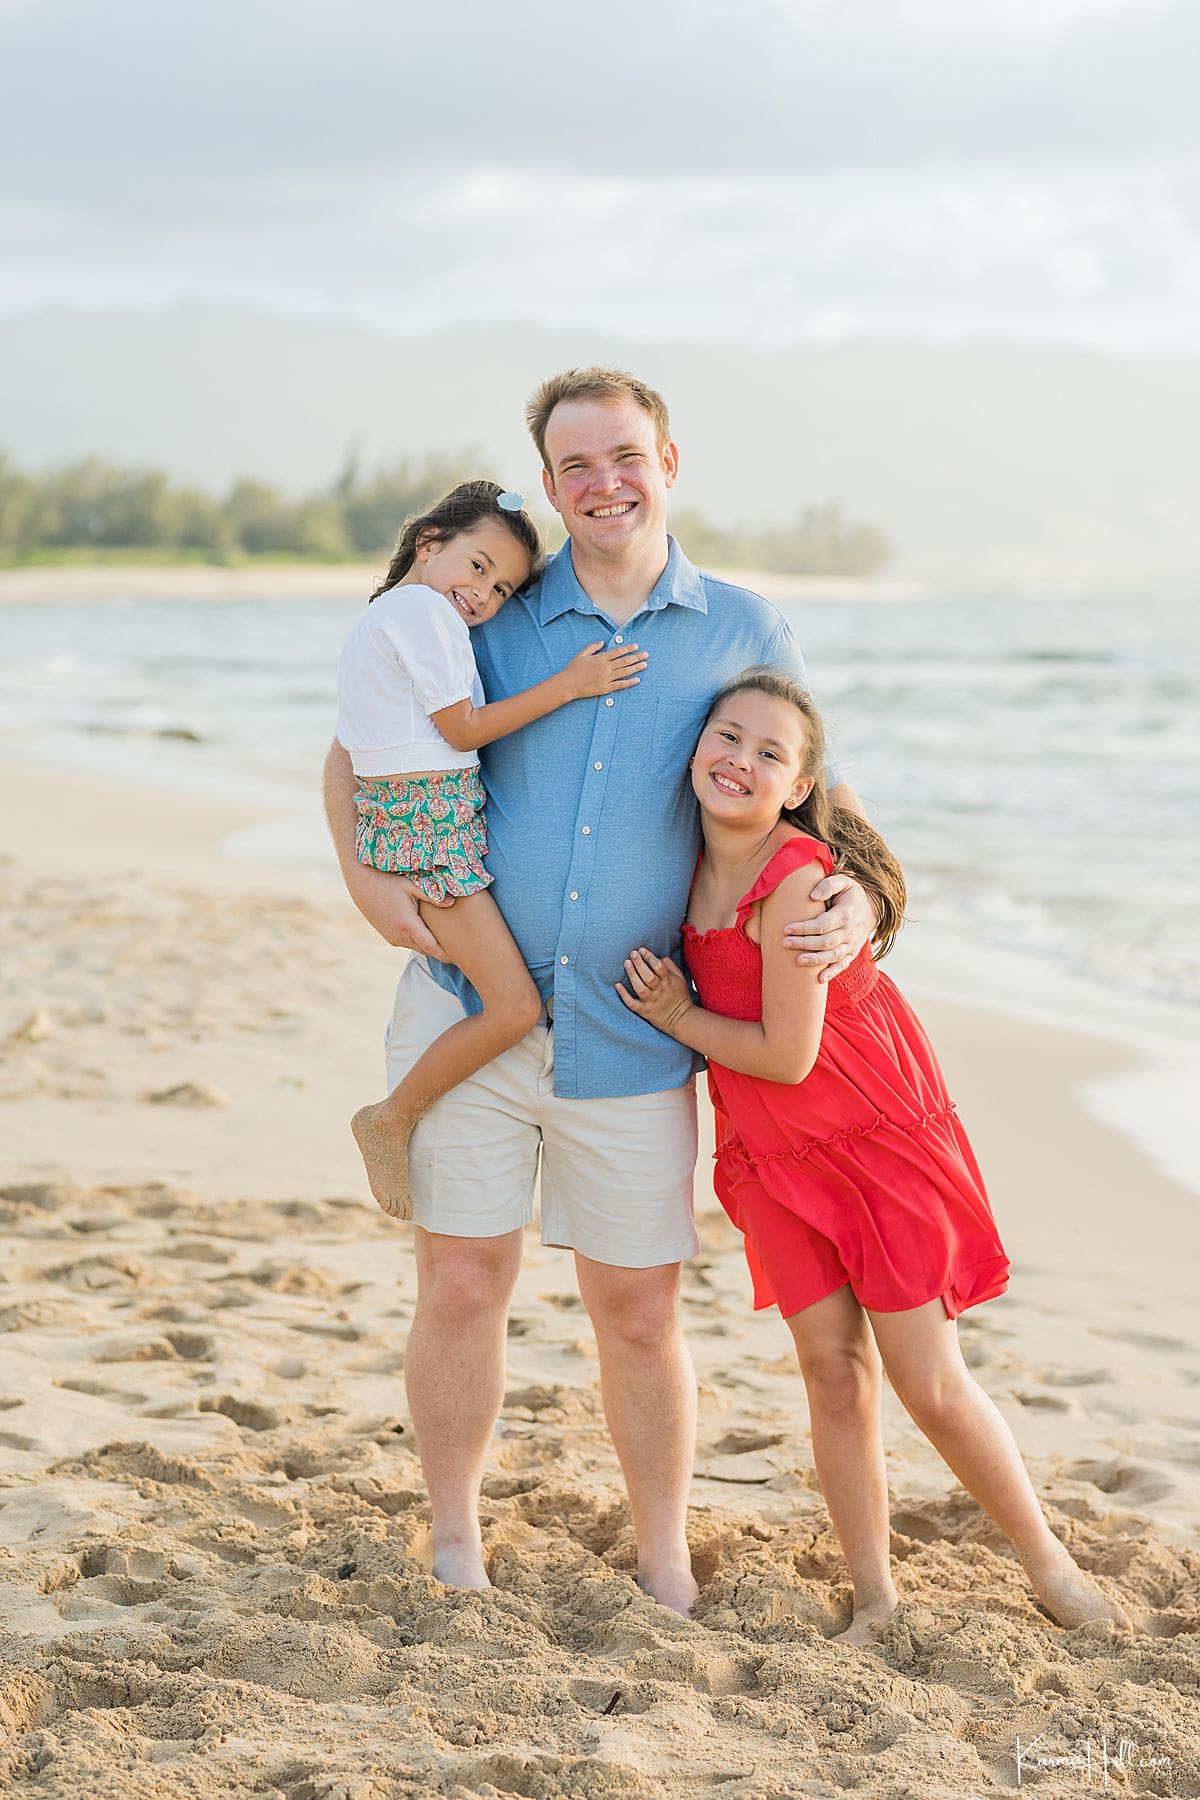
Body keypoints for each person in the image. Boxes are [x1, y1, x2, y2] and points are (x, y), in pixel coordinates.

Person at [323, 367, 878, 1612]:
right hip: (470, 1005)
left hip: (636, 1025)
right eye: (575, 467)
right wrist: (365, 885)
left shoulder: (745, 629)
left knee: (636, 1307)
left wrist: (861, 899)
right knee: (462, 1281)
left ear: (669, 462)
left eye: (624, 457)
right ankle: (456, 1542)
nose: (604, 484)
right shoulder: (490, 610)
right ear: (551, 486)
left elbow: (815, 798)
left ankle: (664, 1557)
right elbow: (357, 746)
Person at [617, 667, 1132, 1640]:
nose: (742, 761)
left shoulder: (801, 878)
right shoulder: (680, 864)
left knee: (927, 1377)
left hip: (870, 1135)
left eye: (772, 754)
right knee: (829, 1373)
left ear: (801, 784)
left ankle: (1049, 1564)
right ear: (695, 746)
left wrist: (679, 1016)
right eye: (729, 737)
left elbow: (787, 1051)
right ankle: (875, 1596)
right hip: (775, 1152)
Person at [336, 479, 648, 1219]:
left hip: (419, 823)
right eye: (477, 567)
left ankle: (397, 1113)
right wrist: (572, 684)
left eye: (503, 587)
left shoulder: (398, 615)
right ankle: (390, 1116)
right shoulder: (419, 613)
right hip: (428, 831)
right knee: (511, 1007)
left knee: (505, 999)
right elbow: (464, 729)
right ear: (429, 542)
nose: (485, 594)